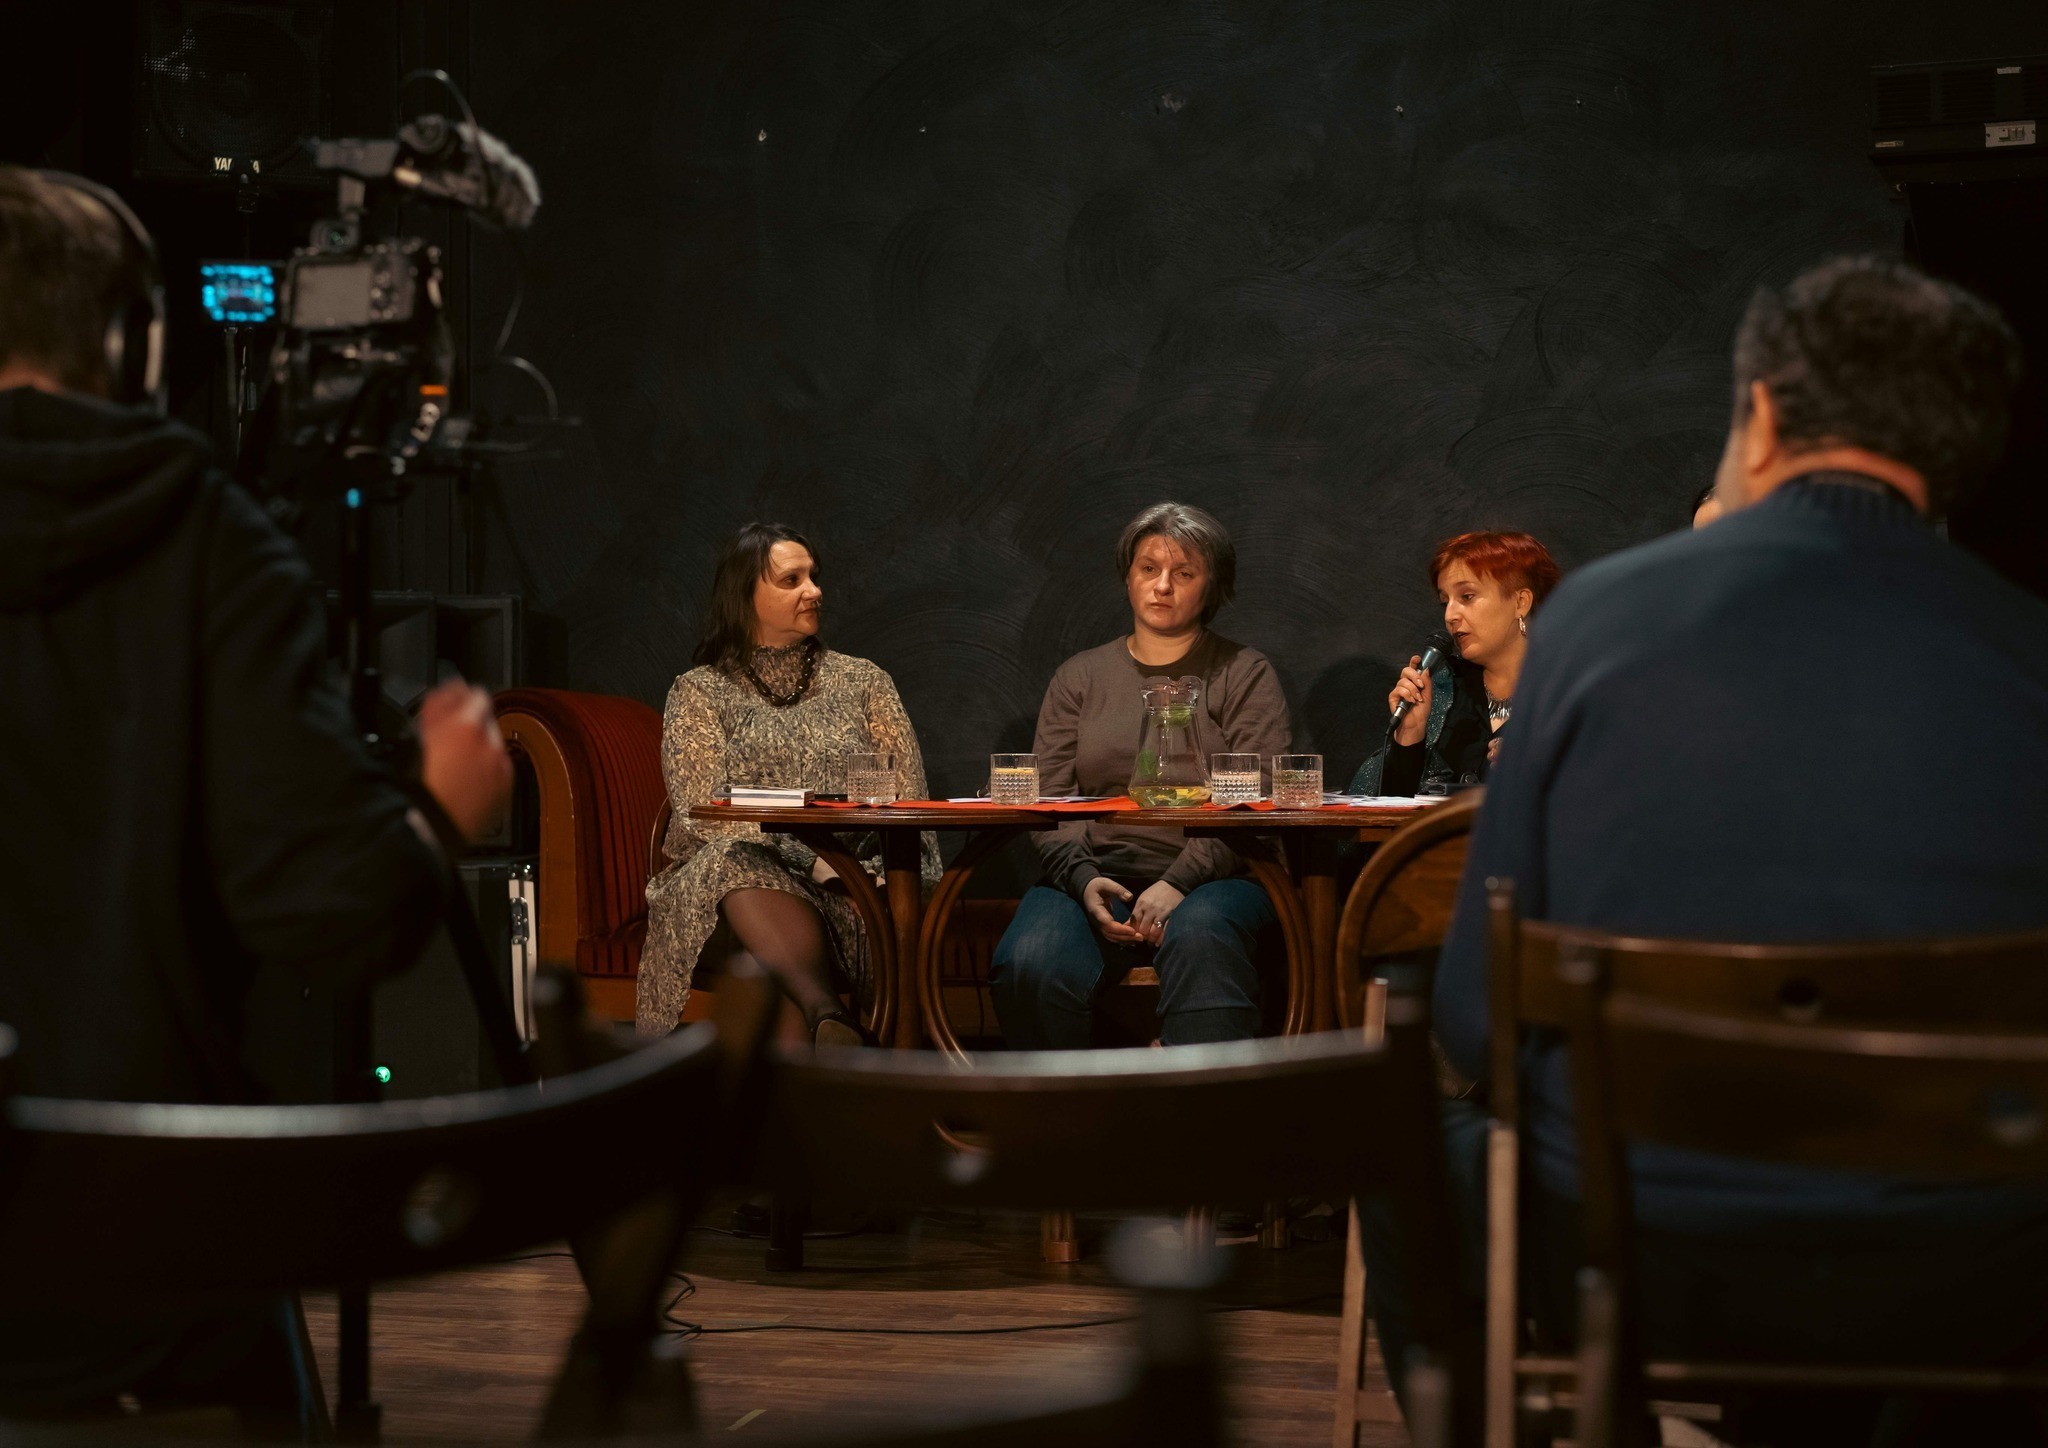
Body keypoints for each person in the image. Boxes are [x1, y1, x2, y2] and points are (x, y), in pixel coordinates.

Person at [1367, 256, 2048, 1444]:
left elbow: (1476, 1021)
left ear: (1762, 419)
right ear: (1959, 451)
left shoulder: (1594, 623)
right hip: (1970, 1273)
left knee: (1406, 1136)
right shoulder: (2027, 650)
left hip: (1633, 1245)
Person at [0, 167, 511, 1421]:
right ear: (135, 345)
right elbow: (329, 911)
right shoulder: (211, 544)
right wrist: (435, 809)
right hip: (152, 1269)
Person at [989, 501, 1291, 1049]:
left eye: (1185, 573)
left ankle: (1197, 1099)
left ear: (1212, 586)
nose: (1163, 586)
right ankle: (1077, 1102)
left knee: (1203, 937)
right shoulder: (1080, 677)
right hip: (1098, 873)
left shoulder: (1243, 673)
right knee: (1030, 960)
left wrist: (1179, 882)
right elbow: (1050, 797)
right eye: (1149, 568)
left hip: (1221, 878)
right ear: (1128, 577)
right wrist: (1083, 881)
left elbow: (1260, 793)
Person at [641, 523, 939, 1043]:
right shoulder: (699, 692)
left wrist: (864, 878)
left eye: (814, 577)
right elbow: (702, 811)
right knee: (731, 863)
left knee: (764, 957)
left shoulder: (864, 681)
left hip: (852, 888)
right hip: (731, 890)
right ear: (744, 596)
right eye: (791, 580)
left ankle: (824, 1031)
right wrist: (815, 863)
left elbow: (910, 801)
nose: (814, 590)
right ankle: (829, 1021)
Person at [1351, 531, 1560, 796]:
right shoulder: (1443, 688)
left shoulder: (1569, 691)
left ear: (1520, 602)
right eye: (1445, 602)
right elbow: (1388, 811)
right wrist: (1411, 736)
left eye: (1467, 597)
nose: (1450, 616)